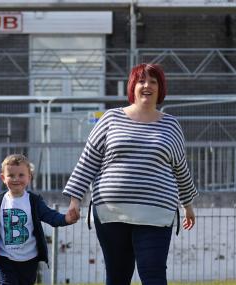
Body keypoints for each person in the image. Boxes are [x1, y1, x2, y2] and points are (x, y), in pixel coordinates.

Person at [63, 63, 198, 285]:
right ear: (132, 86)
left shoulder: (172, 125)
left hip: (156, 214)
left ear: (160, 88)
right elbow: (88, 160)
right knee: (117, 276)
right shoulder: (110, 118)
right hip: (111, 214)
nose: (147, 86)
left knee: (154, 276)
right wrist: (74, 200)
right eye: (141, 81)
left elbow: (180, 168)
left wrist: (188, 205)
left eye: (153, 81)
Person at [0, 154, 79, 285]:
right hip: (5, 260)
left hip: (29, 260)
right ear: (3, 178)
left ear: (29, 177)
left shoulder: (34, 201)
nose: (16, 179)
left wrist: (66, 218)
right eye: (11, 175)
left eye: (21, 175)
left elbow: (51, 216)